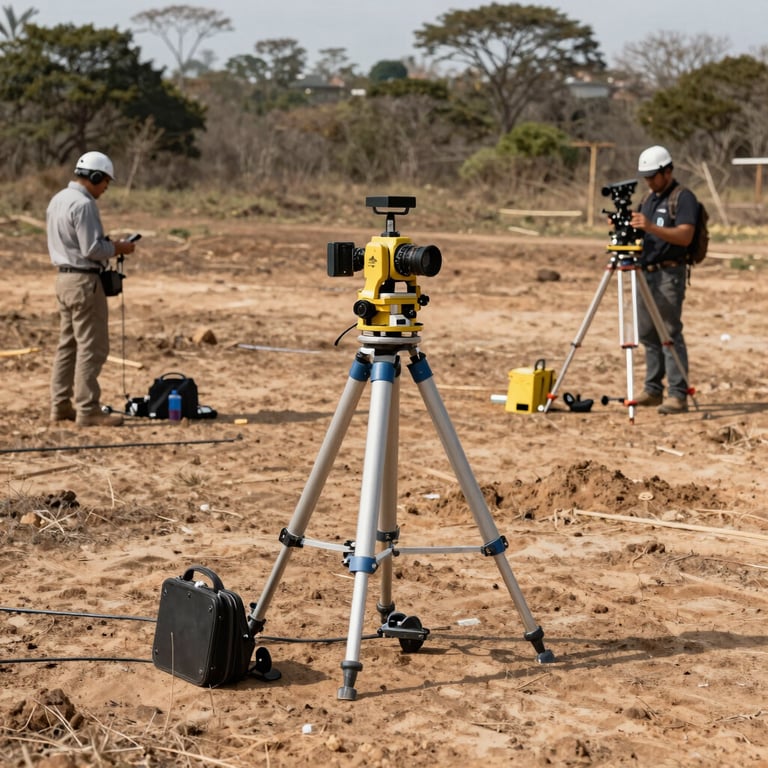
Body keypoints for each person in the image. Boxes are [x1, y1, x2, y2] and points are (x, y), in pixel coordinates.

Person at [47, 151, 136, 427]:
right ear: (95, 177)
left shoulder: (58, 199)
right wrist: (119, 247)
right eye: (105, 183)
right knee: (92, 346)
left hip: (64, 280)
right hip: (85, 282)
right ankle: (88, 409)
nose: (105, 189)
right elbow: (91, 249)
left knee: (68, 344)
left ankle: (60, 405)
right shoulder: (84, 204)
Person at [629, 145, 697, 415]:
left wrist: (651, 227)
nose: (649, 181)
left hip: (669, 273)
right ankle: (653, 389)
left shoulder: (683, 198)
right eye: (645, 177)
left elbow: (685, 236)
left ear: (667, 171)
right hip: (645, 272)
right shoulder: (648, 198)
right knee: (647, 333)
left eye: (653, 176)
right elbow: (640, 228)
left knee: (669, 333)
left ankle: (678, 394)